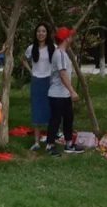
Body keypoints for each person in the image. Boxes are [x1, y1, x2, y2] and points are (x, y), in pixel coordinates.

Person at [45, 27, 84, 157]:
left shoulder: (63, 53)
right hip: (57, 94)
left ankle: (69, 144)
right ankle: (50, 145)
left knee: (68, 119)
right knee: (55, 120)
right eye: (70, 36)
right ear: (66, 39)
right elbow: (62, 74)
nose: (72, 38)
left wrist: (69, 92)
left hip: (64, 94)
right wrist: (72, 91)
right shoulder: (60, 54)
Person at [21, 22, 55, 150]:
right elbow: (23, 59)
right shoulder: (31, 48)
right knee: (36, 110)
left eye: (43, 31)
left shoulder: (53, 48)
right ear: (36, 33)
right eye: (39, 31)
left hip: (50, 82)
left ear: (47, 33)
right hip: (36, 82)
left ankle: (50, 141)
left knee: (51, 110)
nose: (41, 33)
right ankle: (36, 142)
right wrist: (31, 71)